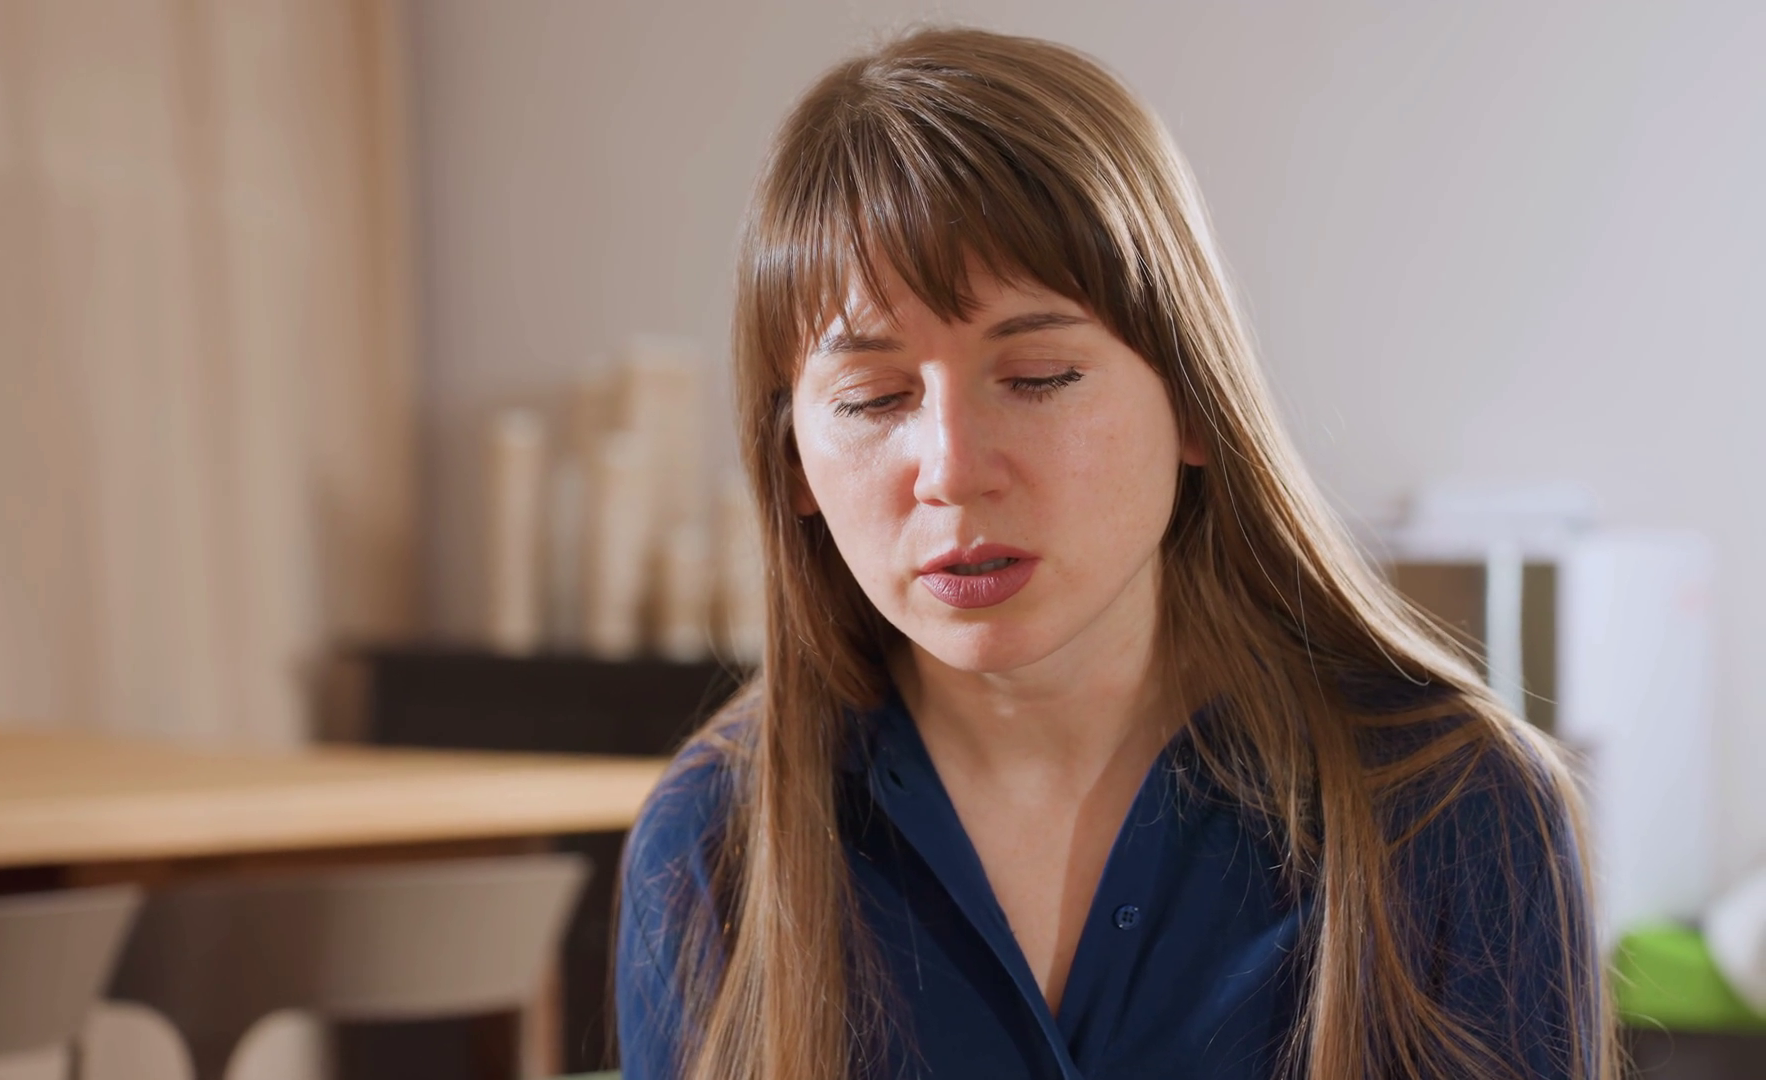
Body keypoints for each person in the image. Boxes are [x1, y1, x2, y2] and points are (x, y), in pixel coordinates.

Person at [616, 26, 1608, 1080]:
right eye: (872, 398)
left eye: (1038, 377)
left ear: (1194, 403)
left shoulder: (1454, 808)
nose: (952, 469)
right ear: (794, 464)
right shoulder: (711, 847)